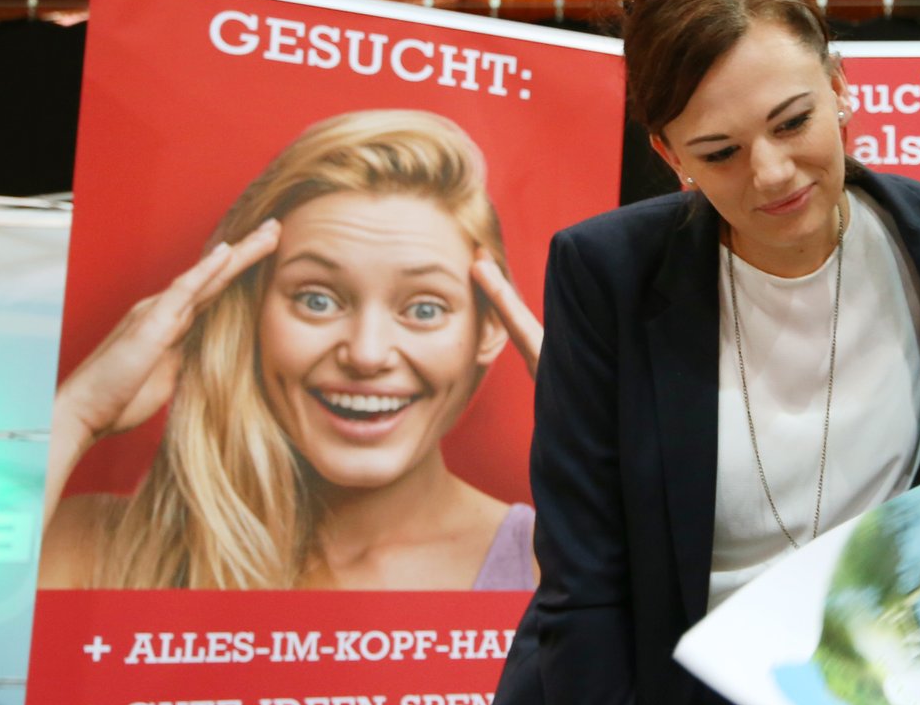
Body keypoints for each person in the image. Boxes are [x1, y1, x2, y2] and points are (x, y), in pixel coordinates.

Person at [485, 0, 920, 705]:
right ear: (672, 156)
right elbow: (584, 580)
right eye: (721, 151)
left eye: (792, 122)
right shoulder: (607, 276)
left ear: (839, 83)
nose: (771, 173)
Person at [39, 108, 544, 591]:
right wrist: (79, 415)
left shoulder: (556, 564)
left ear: (490, 329)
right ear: (251, 314)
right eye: (317, 299)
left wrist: (607, 429)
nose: (367, 355)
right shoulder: (96, 548)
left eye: (425, 308)